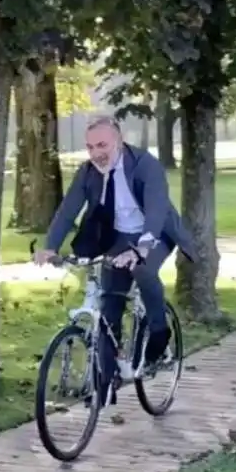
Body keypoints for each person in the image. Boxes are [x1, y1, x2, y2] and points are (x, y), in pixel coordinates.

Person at [33, 114, 196, 391]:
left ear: (119, 141)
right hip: (120, 237)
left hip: (155, 232)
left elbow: (156, 209)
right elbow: (68, 210)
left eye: (102, 145)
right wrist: (50, 246)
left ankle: (159, 333)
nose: (96, 153)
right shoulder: (88, 172)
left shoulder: (145, 165)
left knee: (142, 269)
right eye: (90, 147)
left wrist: (142, 248)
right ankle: (106, 381)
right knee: (109, 303)